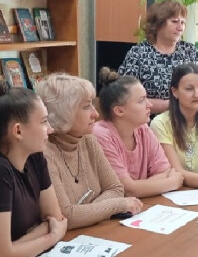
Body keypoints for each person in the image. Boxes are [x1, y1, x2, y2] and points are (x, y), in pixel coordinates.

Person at [0, 82, 67, 257]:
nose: (50, 129)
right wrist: (52, 236)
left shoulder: (35, 157)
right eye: (44, 122)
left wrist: (13, 247)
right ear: (18, 131)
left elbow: (56, 218)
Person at [36, 73, 143, 229]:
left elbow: (116, 188)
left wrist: (86, 212)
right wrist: (117, 205)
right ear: (63, 112)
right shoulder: (44, 154)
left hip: (94, 231)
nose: (96, 114)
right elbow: (67, 217)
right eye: (87, 106)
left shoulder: (88, 140)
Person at [93, 67, 184, 197]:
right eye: (141, 100)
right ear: (119, 111)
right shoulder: (100, 135)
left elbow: (165, 172)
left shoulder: (143, 129)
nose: (149, 105)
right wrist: (172, 183)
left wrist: (138, 187)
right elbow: (125, 189)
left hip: (142, 204)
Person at [118, 0, 198, 114]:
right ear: (158, 23)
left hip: (190, 120)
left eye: (183, 23)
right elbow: (125, 96)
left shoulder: (190, 51)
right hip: (148, 120)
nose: (180, 27)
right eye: (175, 21)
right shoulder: (139, 53)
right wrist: (173, 105)